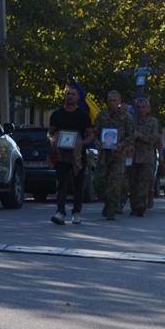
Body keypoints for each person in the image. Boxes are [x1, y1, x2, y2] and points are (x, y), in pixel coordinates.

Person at [48, 81, 94, 225]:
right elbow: (50, 133)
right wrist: (52, 140)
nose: (70, 96)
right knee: (61, 184)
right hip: (61, 155)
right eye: (68, 94)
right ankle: (60, 212)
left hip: (77, 155)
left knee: (78, 184)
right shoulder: (57, 114)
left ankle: (76, 212)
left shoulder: (83, 115)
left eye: (73, 94)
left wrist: (81, 143)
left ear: (78, 97)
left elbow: (90, 135)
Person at [93, 90, 134, 221]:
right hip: (104, 155)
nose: (111, 103)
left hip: (118, 155)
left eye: (114, 100)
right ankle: (107, 202)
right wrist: (98, 143)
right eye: (109, 100)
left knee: (114, 184)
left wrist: (121, 145)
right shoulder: (102, 115)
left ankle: (111, 210)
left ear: (119, 102)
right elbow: (94, 133)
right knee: (98, 183)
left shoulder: (126, 117)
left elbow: (131, 136)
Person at [129, 96, 160, 217]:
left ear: (148, 109)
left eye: (143, 107)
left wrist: (139, 136)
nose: (141, 109)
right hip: (132, 156)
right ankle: (133, 206)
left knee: (144, 183)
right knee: (133, 183)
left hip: (146, 157)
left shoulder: (153, 122)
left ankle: (141, 206)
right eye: (139, 107)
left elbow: (153, 139)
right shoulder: (132, 121)